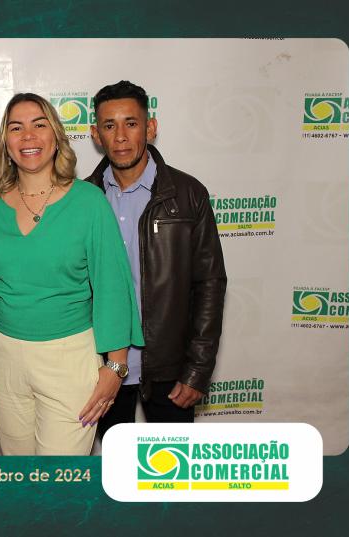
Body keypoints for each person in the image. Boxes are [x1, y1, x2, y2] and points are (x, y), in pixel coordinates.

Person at [0, 93, 143, 456]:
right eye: (16, 128)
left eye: (39, 125)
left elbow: (112, 286)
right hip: (3, 359)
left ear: (56, 137)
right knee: (19, 475)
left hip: (70, 359)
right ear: (6, 142)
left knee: (59, 479)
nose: (28, 136)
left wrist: (116, 366)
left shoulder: (88, 202)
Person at [86, 80, 227, 436]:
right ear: (96, 135)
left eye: (131, 123)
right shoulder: (82, 199)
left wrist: (197, 369)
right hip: (99, 367)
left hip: (170, 370)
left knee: (172, 467)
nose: (120, 136)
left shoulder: (188, 194)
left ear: (150, 128)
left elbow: (210, 284)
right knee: (111, 465)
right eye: (109, 125)